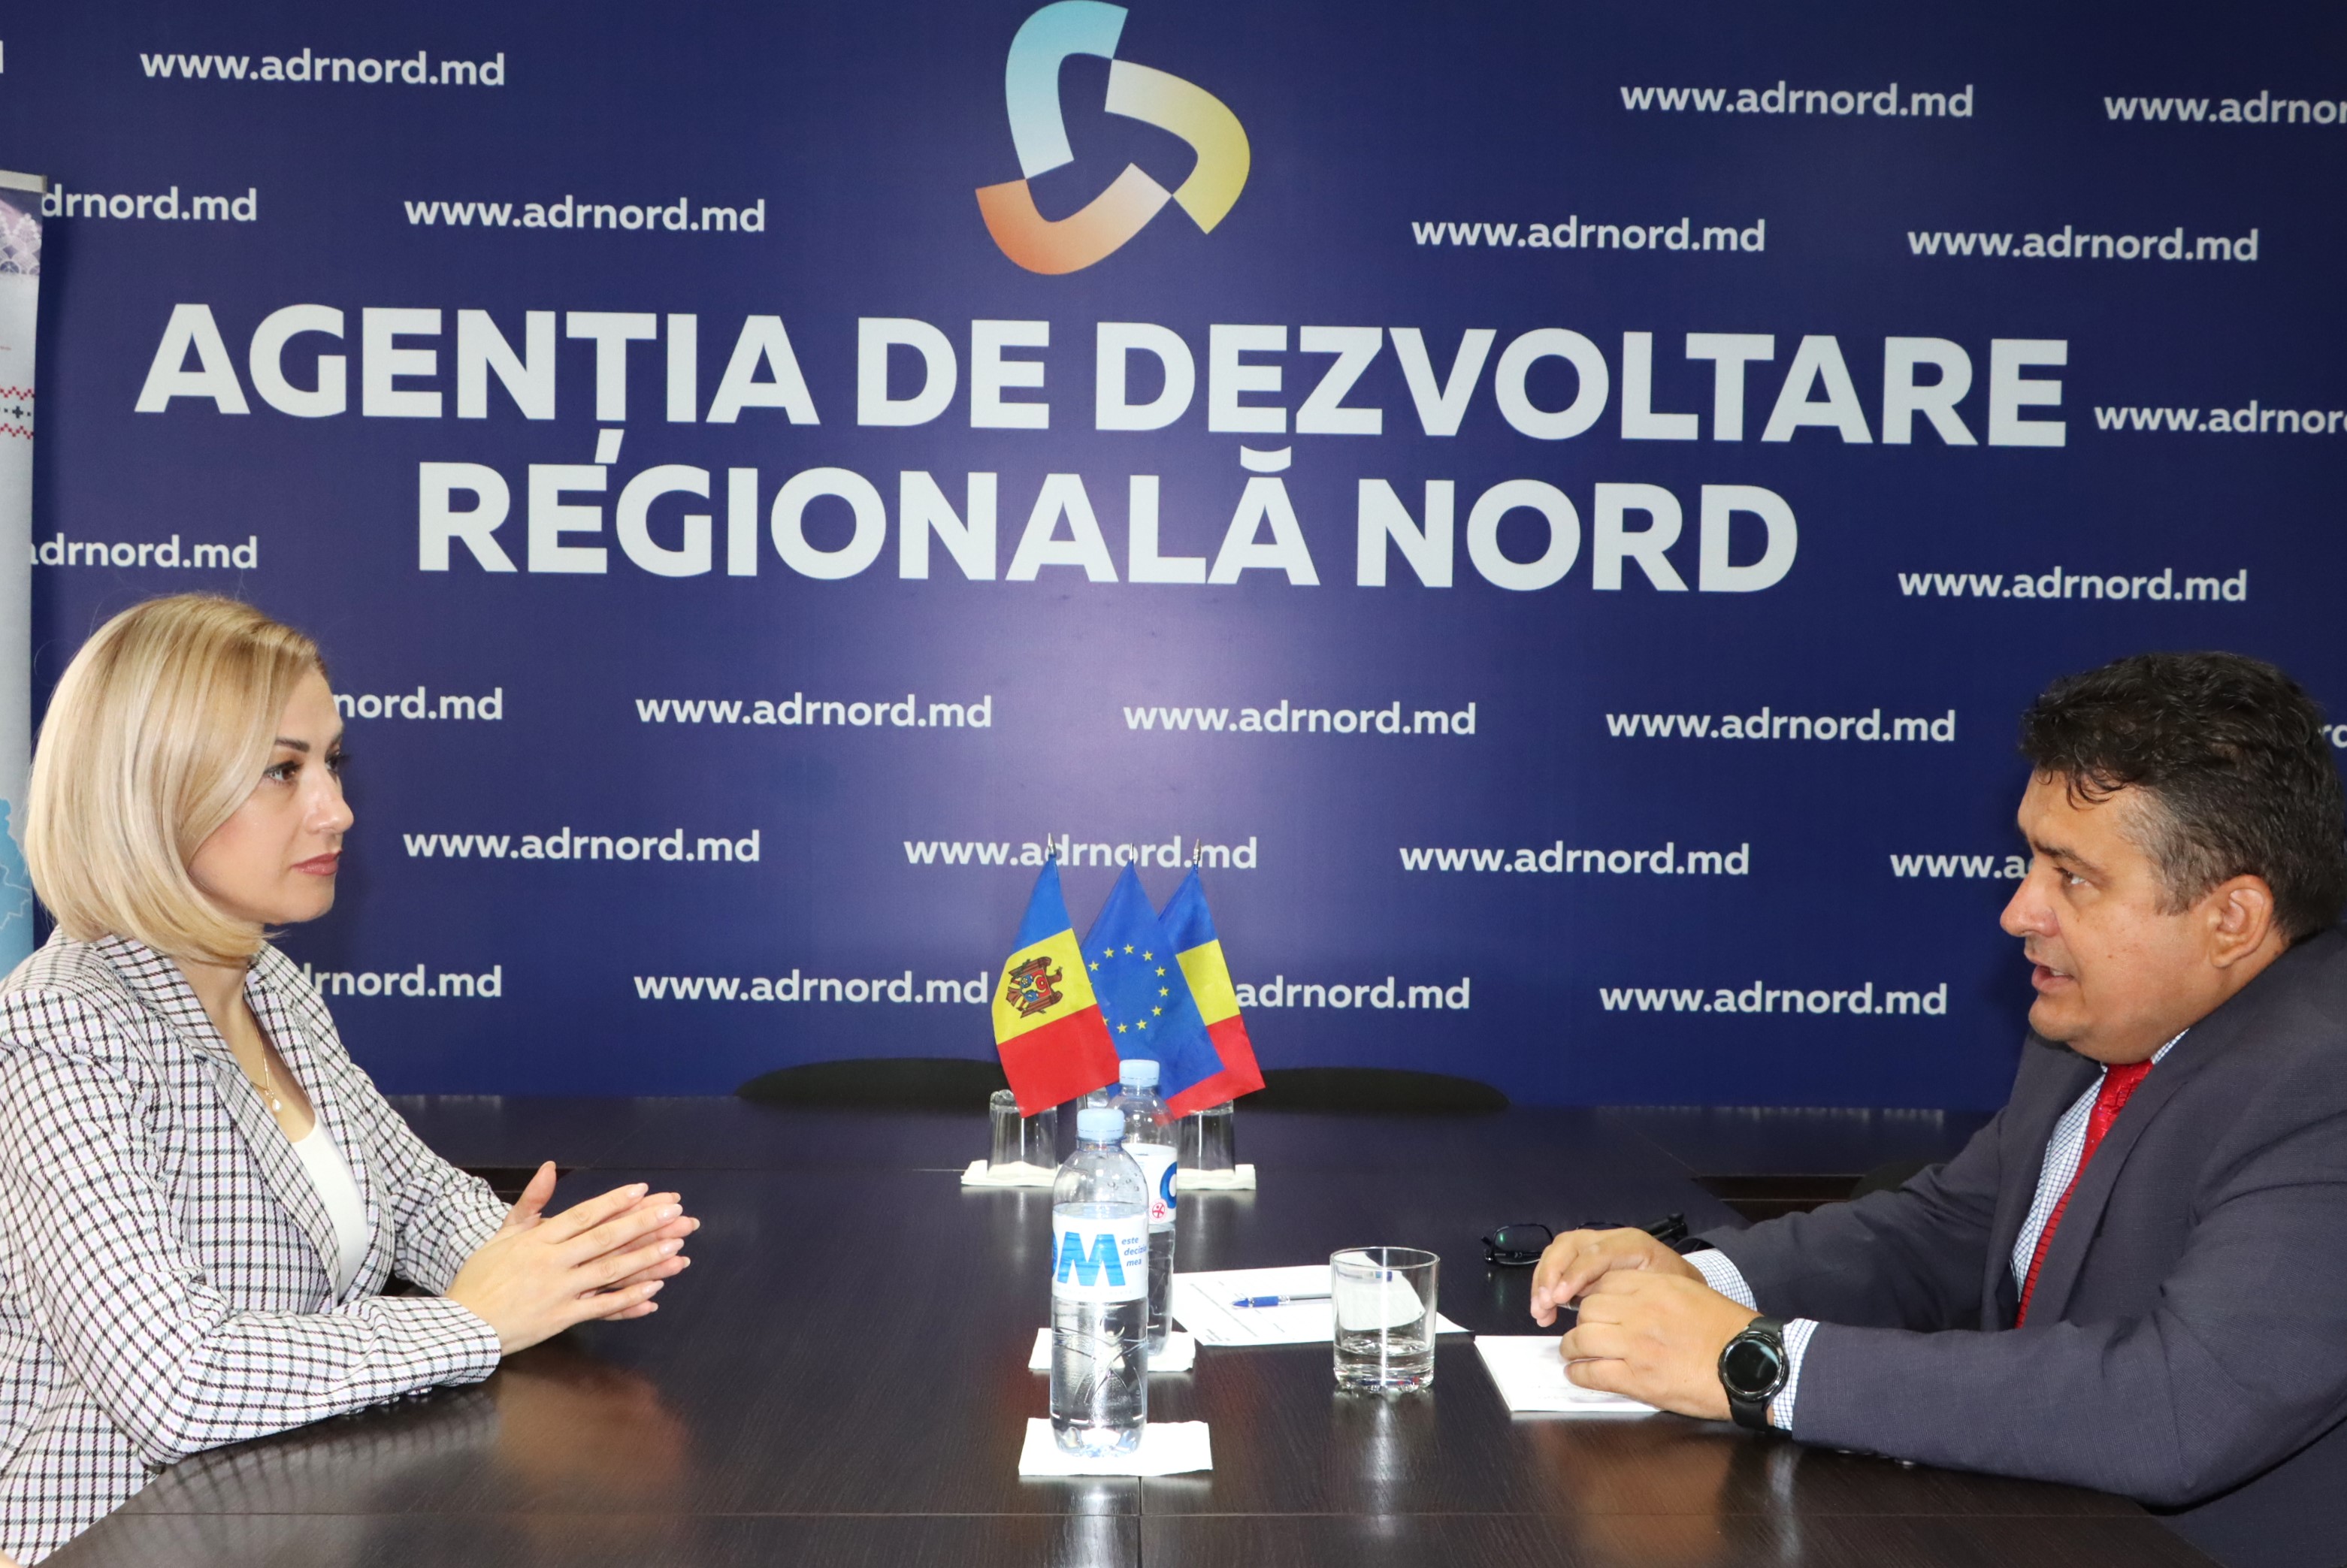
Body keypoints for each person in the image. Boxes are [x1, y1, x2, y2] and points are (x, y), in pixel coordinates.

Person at [1529, 650, 2347, 1568]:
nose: (2020, 910)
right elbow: (1951, 1231)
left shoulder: (2324, 1084)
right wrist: (1703, 1280)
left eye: (2073, 876)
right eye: (2030, 859)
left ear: (2232, 918)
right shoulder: (2092, 1026)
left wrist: (1758, 1362)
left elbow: (2177, 1408)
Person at [0, 595, 699, 1564]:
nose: (336, 808)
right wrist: (469, 1322)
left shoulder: (271, 985)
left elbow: (412, 1197)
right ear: (151, 790)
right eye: (283, 770)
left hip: (291, 1517)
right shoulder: (58, 1024)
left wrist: (557, 1263)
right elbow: (174, 1379)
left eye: (332, 762)